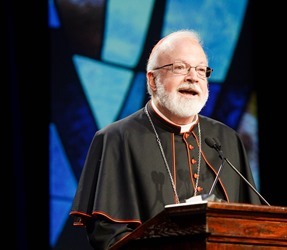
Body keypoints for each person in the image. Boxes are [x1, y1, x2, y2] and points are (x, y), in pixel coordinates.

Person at [70, 29, 262, 249]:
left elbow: (251, 226)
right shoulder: (116, 139)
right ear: (153, 80)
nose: (193, 78)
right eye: (180, 68)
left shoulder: (227, 139)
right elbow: (109, 236)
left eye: (201, 70)